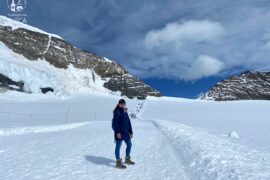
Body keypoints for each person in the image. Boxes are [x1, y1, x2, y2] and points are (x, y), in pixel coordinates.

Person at [112, 99, 135, 169]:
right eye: (121, 103)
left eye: (123, 103)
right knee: (118, 147)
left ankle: (127, 159)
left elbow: (128, 122)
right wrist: (117, 132)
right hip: (119, 133)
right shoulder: (117, 111)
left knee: (129, 144)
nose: (122, 104)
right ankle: (118, 162)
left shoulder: (125, 111)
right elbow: (115, 123)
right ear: (118, 104)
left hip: (126, 133)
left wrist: (130, 132)